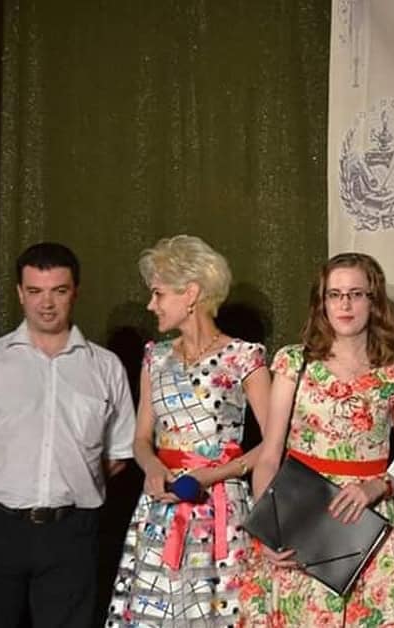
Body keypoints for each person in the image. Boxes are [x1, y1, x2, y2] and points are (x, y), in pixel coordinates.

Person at [0, 242, 136, 627]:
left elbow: (118, 454)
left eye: (58, 290)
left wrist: (70, 479)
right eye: (35, 291)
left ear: (76, 292)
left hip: (72, 534)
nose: (46, 303)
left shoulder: (106, 367)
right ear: (20, 293)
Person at [242, 252, 394, 626]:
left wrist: (377, 487)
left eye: (356, 294)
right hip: (300, 521)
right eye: (334, 295)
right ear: (321, 303)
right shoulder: (294, 362)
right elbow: (269, 456)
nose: (345, 304)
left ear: (374, 300)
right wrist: (269, 530)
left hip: (369, 526)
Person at [106, 235, 271, 626]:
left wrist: (211, 476)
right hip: (160, 511)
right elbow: (141, 439)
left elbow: (274, 445)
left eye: (159, 293)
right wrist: (152, 468)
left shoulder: (243, 357)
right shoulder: (156, 357)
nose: (151, 305)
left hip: (221, 512)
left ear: (191, 293)